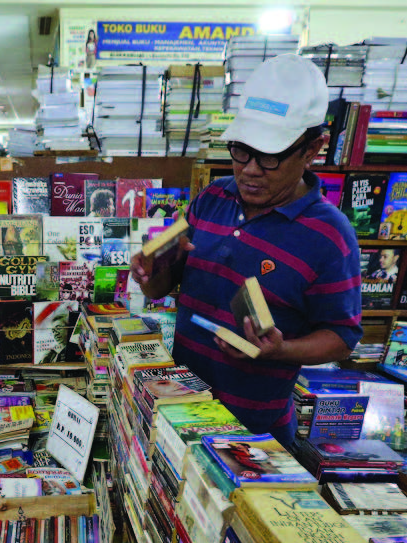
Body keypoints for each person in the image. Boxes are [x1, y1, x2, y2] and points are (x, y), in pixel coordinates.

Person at [131, 54, 362, 446]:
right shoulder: (213, 197)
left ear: (312, 149)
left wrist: (280, 350)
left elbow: (342, 335)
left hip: (254, 436)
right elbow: (158, 290)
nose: (250, 169)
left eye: (270, 156)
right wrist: (154, 268)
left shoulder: (330, 236)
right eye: (242, 150)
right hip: (180, 412)